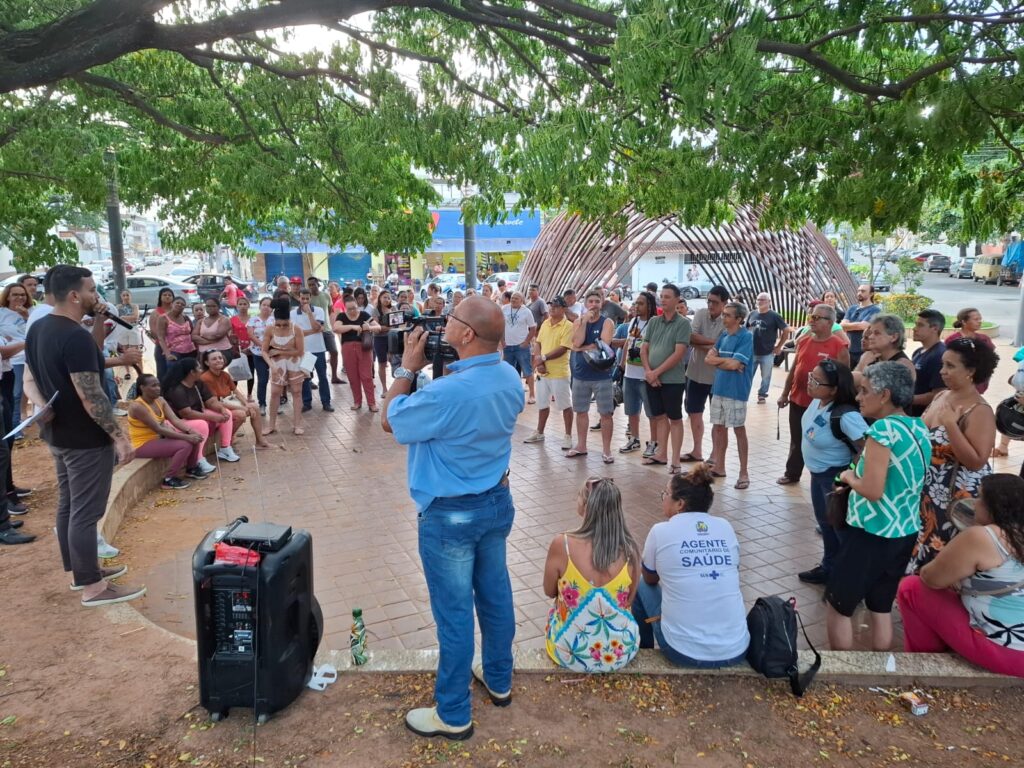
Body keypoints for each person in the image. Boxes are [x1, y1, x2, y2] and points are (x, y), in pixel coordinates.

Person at [382, 296, 524, 740]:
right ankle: (499, 680)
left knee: (455, 614)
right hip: (496, 502)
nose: (442, 326)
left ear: (466, 335)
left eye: (451, 321)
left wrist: (407, 366)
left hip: (451, 516)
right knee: (495, 596)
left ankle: (453, 712)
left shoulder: (447, 393)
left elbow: (391, 420)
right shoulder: (509, 376)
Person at [23, 265, 145, 606]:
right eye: (92, 290)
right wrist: (120, 438)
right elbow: (90, 394)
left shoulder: (41, 328)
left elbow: (77, 364)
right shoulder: (71, 335)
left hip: (58, 434)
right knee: (86, 512)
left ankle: (81, 571)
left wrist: (95, 323)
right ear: (75, 295)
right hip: (84, 440)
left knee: (69, 505)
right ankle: (92, 587)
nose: (97, 296)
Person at [828, 363, 930, 650]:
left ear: (884, 395)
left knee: (839, 605)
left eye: (864, 391)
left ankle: (840, 675)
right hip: (903, 530)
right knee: (881, 605)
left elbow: (872, 489)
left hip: (871, 531)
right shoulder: (917, 426)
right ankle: (881, 668)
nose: (858, 397)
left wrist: (848, 476)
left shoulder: (883, 430)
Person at [897, 474, 1024, 677]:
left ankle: (923, 662)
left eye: (980, 497)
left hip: (1010, 653)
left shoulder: (983, 537)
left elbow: (930, 578)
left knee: (911, 588)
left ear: (993, 507)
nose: (975, 502)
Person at [631, 464, 750, 667]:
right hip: (736, 647)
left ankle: (644, 653)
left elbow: (650, 578)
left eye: (666, 494)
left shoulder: (660, 531)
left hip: (682, 650)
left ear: (680, 504)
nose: (663, 498)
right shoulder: (725, 527)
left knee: (641, 584)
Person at [910, 338, 998, 572]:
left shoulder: (979, 410)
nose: (943, 372)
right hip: (927, 492)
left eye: (950, 366)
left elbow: (977, 461)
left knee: (942, 555)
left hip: (954, 499)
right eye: (943, 365)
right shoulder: (941, 397)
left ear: (971, 371)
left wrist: (951, 425)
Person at [544, 477, 640, 672]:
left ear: (586, 505)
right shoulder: (631, 550)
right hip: (621, 652)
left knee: (556, 611)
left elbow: (549, 591)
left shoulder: (562, 544)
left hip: (569, 652)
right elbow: (629, 599)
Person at [796, 360, 867, 584]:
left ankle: (849, 578)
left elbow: (868, 447)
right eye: (810, 376)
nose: (810, 383)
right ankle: (829, 567)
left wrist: (850, 472)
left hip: (834, 477)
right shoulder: (818, 401)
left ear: (834, 389)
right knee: (826, 523)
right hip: (818, 475)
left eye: (816, 381)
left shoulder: (846, 416)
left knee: (840, 528)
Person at [777, 304, 850, 485]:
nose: (812, 320)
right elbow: (795, 369)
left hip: (822, 405)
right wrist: (785, 393)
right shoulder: (804, 340)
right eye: (811, 316)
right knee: (796, 439)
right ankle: (792, 473)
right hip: (798, 399)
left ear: (830, 322)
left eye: (817, 318)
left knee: (817, 438)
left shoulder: (839, 346)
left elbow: (844, 379)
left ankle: (821, 473)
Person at [640, 285, 691, 470]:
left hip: (672, 380)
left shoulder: (683, 323)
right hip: (652, 379)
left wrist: (656, 372)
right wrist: (648, 372)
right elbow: (644, 348)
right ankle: (661, 454)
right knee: (659, 417)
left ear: (678, 300)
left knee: (674, 418)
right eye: (661, 296)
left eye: (667, 296)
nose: (663, 299)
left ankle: (675, 460)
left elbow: (678, 353)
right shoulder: (654, 321)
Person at [127, 373, 206, 489]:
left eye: (158, 385)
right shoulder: (137, 407)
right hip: (142, 445)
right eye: (153, 386)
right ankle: (169, 479)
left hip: (157, 440)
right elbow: (158, 429)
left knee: (195, 439)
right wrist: (187, 437)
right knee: (185, 445)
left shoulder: (160, 400)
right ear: (142, 388)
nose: (158, 388)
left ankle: (191, 469)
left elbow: (175, 420)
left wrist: (190, 431)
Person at [706, 302, 755, 489]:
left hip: (736, 392)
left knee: (738, 430)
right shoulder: (723, 335)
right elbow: (708, 358)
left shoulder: (746, 337)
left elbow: (736, 365)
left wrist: (721, 361)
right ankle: (719, 466)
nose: (723, 317)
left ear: (739, 319)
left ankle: (743, 472)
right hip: (719, 388)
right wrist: (727, 361)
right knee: (718, 428)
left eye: (727, 315)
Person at [680, 285, 728, 464]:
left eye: (715, 302)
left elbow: (725, 349)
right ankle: (697, 450)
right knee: (694, 412)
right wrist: (715, 343)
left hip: (717, 378)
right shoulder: (700, 314)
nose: (710, 305)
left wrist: (706, 344)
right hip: (695, 373)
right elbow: (690, 338)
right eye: (709, 301)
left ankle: (715, 455)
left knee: (718, 418)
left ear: (725, 303)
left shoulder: (729, 319)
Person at [568, 290, 616, 462]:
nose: (594, 305)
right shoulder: (578, 322)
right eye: (591, 301)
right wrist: (584, 321)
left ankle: (607, 450)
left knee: (606, 413)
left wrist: (580, 349)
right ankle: (581, 445)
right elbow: (576, 342)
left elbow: (602, 346)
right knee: (581, 411)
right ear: (586, 304)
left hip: (602, 375)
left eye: (597, 301)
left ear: (602, 303)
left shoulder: (607, 322)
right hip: (581, 374)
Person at [161, 357, 237, 465]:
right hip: (178, 421)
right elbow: (186, 413)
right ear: (192, 372)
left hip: (197, 414)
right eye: (199, 368)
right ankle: (198, 458)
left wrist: (222, 409)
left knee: (227, 413)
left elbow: (210, 401)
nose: (201, 370)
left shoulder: (198, 383)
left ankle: (225, 448)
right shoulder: (177, 389)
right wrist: (213, 417)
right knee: (201, 424)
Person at [612, 291, 657, 456]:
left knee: (651, 411)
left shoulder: (654, 323)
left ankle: (654, 442)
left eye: (641, 303)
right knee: (632, 409)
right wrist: (622, 362)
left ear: (650, 305)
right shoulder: (633, 322)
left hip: (646, 374)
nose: (636, 306)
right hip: (630, 373)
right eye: (636, 303)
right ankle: (634, 439)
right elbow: (628, 342)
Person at [524, 296, 574, 447]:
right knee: (542, 403)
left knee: (565, 405)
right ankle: (539, 432)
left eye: (556, 306)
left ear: (564, 309)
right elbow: (538, 342)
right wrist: (539, 360)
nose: (552, 308)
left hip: (559, 372)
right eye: (551, 306)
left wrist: (542, 358)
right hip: (542, 372)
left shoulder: (568, 326)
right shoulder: (546, 323)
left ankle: (568, 436)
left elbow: (563, 348)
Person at [200, 349, 271, 451]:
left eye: (220, 358)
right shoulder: (206, 378)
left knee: (254, 407)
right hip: (215, 408)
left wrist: (247, 404)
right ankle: (226, 441)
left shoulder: (225, 375)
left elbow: (236, 392)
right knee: (241, 414)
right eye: (214, 359)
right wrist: (242, 407)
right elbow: (216, 403)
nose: (218, 360)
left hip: (227, 403)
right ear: (207, 363)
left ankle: (260, 441)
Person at [263, 298, 307, 435]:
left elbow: (300, 351)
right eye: (279, 324)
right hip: (277, 365)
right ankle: (271, 425)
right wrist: (271, 365)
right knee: (275, 393)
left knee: (297, 392)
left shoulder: (296, 329)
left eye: (285, 324)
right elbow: (264, 351)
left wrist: (279, 351)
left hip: (294, 363)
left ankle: (297, 425)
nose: (281, 327)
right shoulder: (270, 329)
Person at [334, 295, 380, 411]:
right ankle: (357, 401)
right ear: (345, 308)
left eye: (355, 308)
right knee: (353, 377)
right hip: (348, 348)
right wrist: (352, 327)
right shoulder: (342, 316)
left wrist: (368, 327)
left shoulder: (364, 315)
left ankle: (371, 403)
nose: (353, 311)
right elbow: (336, 328)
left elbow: (378, 327)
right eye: (350, 309)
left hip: (364, 348)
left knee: (367, 376)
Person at [292, 289, 333, 413]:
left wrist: (310, 314)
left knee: (323, 377)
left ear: (310, 298)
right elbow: (296, 333)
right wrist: (313, 330)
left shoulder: (318, 311)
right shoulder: (293, 313)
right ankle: (307, 402)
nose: (304, 301)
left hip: (318, 349)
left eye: (307, 298)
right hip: (305, 350)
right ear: (299, 298)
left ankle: (326, 402)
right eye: (302, 298)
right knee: (305, 378)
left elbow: (318, 327)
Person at [745, 292, 789, 404]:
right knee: (747, 375)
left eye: (763, 300)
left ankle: (762, 395)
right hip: (752, 351)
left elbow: (786, 330)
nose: (760, 301)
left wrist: (779, 346)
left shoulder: (774, 316)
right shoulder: (752, 314)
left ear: (769, 302)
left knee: (766, 376)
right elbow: (745, 329)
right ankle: (744, 393)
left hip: (767, 352)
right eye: (758, 299)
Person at [0, 282, 30, 428]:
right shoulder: (2, 314)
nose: (20, 297)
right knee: (16, 394)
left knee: (30, 392)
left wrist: (26, 317)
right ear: (7, 297)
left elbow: (35, 333)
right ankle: (15, 428)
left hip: (31, 358)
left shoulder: (30, 312)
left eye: (23, 294)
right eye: (15, 294)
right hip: (14, 360)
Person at [946, 307, 995, 395]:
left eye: (980, 319)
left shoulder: (985, 339)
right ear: (964, 322)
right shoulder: (953, 340)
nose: (979, 321)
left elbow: (991, 360)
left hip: (978, 384)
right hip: (957, 383)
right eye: (976, 319)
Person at [853, 314, 916, 383]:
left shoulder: (902, 365)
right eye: (871, 333)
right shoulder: (871, 357)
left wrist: (862, 366)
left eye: (877, 333)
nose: (870, 337)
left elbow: (874, 391)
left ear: (894, 337)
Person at [501, 292, 537, 404]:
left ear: (521, 300)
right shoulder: (504, 309)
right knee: (508, 372)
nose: (513, 300)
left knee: (527, 370)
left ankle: (532, 394)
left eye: (516, 298)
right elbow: (501, 325)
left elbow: (533, 328)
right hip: (508, 346)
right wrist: (502, 341)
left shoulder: (526, 311)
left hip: (521, 346)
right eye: (512, 298)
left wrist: (526, 342)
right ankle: (510, 394)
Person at [910, 309, 947, 417]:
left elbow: (939, 394)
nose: (914, 329)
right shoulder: (918, 352)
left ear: (934, 328)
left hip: (925, 419)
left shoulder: (940, 355)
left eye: (920, 325)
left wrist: (905, 400)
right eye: (915, 324)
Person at [307, 277, 343, 384]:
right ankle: (309, 379)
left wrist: (332, 326)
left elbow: (330, 311)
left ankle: (334, 376)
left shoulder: (326, 296)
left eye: (313, 284)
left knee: (334, 352)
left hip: (327, 329)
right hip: (313, 331)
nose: (311, 287)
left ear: (318, 284)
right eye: (309, 285)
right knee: (310, 355)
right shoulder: (308, 298)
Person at [839, 284, 880, 368]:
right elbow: (841, 326)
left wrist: (848, 325)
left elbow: (862, 326)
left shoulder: (875, 310)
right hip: (849, 351)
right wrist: (856, 325)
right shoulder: (852, 308)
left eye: (863, 291)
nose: (859, 293)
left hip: (864, 352)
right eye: (858, 291)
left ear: (871, 294)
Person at [246, 297, 274, 416]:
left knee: (277, 379)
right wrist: (263, 346)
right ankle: (262, 403)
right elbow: (251, 335)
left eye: (269, 305)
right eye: (264, 305)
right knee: (262, 379)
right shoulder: (253, 320)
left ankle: (277, 403)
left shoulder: (274, 320)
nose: (266, 307)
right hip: (258, 353)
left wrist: (270, 347)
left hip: (274, 353)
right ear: (260, 306)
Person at [370, 289, 395, 395]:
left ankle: (395, 387)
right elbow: (377, 328)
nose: (387, 299)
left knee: (394, 361)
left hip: (392, 338)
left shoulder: (393, 309)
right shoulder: (375, 310)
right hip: (379, 339)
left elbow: (397, 324)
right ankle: (385, 389)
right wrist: (387, 327)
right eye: (385, 297)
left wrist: (385, 327)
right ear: (380, 298)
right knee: (382, 363)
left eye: (389, 297)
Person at [149, 287, 175, 380]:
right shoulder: (155, 313)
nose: (167, 297)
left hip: (177, 347)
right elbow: (154, 332)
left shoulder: (177, 311)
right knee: (162, 372)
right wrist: (165, 342)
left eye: (170, 295)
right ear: (160, 297)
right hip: (161, 346)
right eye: (164, 295)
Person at [162, 296, 197, 364]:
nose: (180, 305)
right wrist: (168, 354)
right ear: (172, 304)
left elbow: (192, 333)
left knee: (190, 373)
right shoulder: (163, 318)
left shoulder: (185, 317)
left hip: (190, 351)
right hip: (174, 352)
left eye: (182, 304)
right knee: (176, 373)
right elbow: (161, 338)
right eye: (177, 303)